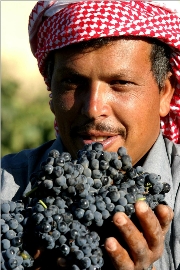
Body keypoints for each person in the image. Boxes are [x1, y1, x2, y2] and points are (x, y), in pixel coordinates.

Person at [1, 1, 180, 270]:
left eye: (120, 84)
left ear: (165, 93)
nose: (93, 109)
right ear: (52, 92)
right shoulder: (5, 185)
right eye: (73, 82)